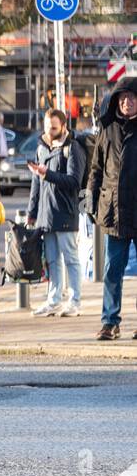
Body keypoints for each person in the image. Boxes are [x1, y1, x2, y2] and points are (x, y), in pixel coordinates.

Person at [86, 80, 137, 340]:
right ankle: (109, 322)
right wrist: (89, 201)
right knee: (112, 270)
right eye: (122, 98)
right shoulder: (107, 129)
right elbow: (96, 170)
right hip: (114, 211)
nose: (127, 102)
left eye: (131, 98)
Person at [27, 108, 84, 317]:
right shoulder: (41, 147)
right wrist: (31, 212)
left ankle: (75, 301)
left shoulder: (73, 148)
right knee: (52, 259)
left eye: (53, 128)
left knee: (70, 258)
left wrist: (47, 174)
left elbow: (74, 181)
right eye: (46, 128)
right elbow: (36, 183)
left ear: (63, 126)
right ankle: (53, 301)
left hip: (65, 212)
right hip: (45, 214)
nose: (49, 132)